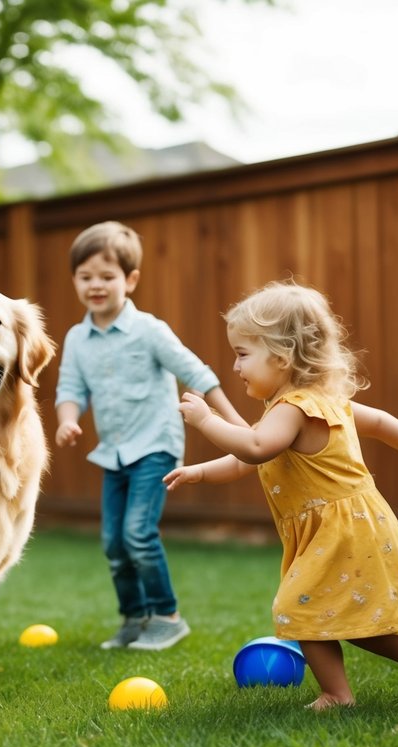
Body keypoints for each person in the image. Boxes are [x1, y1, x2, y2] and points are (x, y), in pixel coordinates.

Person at [164, 280, 398, 710]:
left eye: (243, 354)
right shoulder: (316, 402)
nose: (235, 366)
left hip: (342, 530)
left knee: (299, 607)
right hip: (349, 525)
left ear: (282, 357)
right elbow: (257, 458)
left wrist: (207, 421)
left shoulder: (294, 408)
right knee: (349, 616)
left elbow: (254, 448)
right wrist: (200, 474)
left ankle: (338, 695)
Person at [53, 221, 244, 650]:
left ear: (130, 279)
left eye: (107, 276)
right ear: (75, 281)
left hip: (156, 445)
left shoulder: (149, 330)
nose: (95, 286)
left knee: (138, 533)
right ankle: (134, 617)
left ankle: (167, 615)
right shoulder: (77, 338)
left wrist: (233, 423)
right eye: (85, 277)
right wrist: (68, 419)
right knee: (113, 543)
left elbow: (197, 373)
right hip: (114, 452)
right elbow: (70, 389)